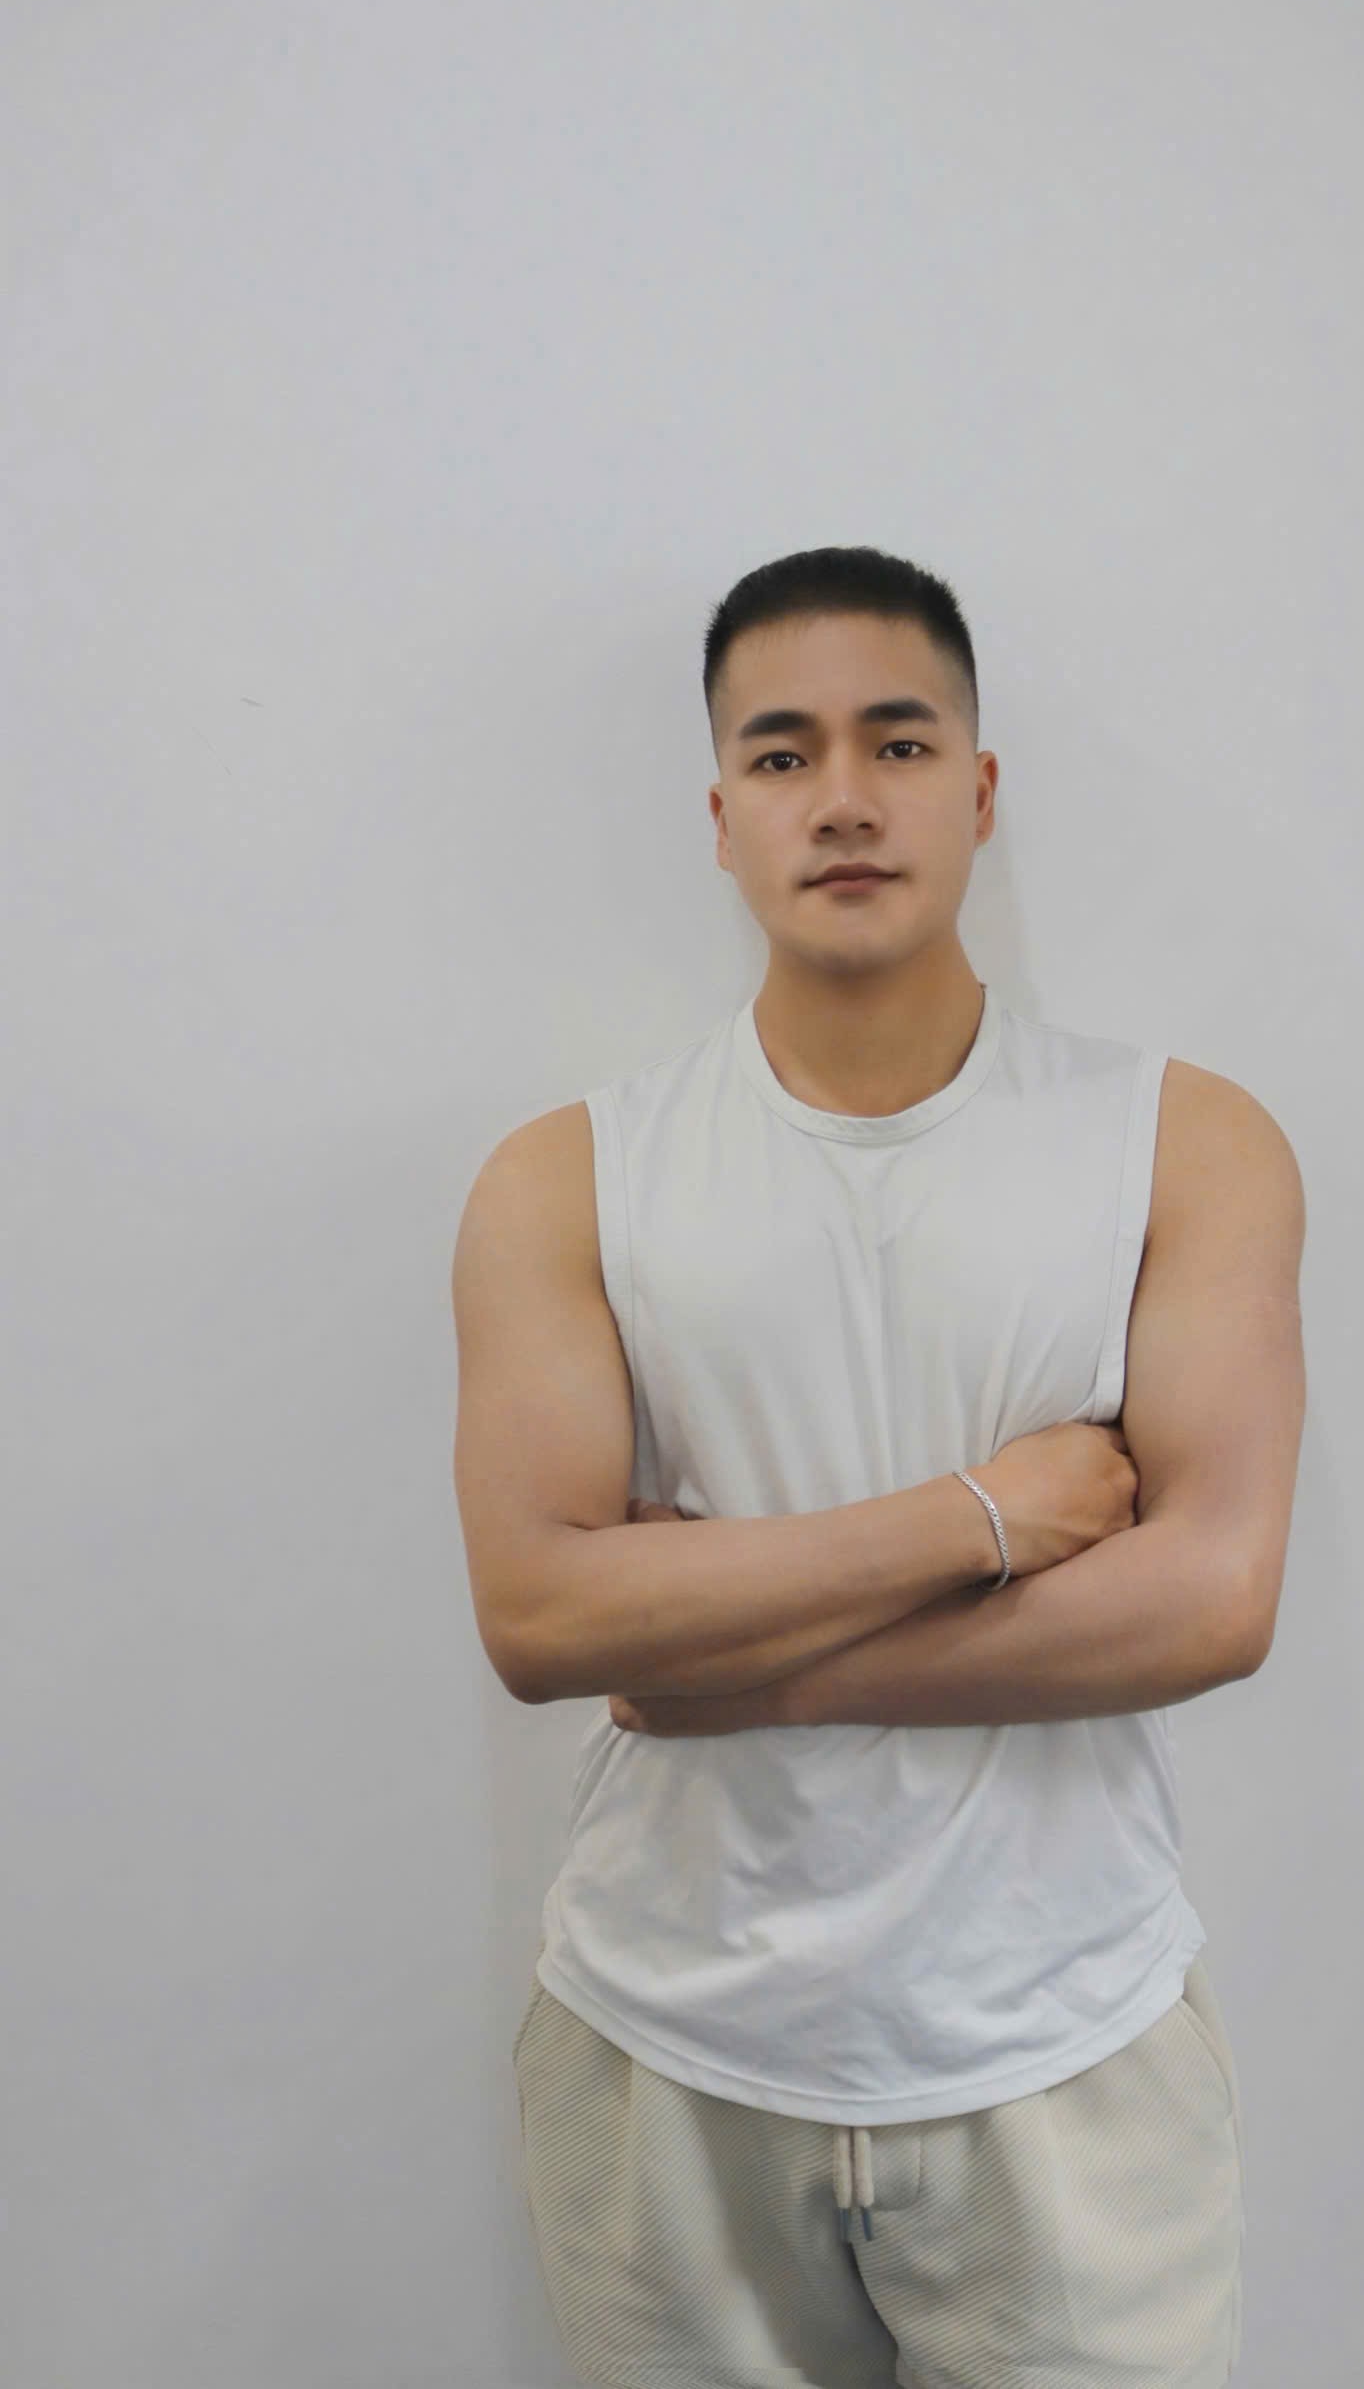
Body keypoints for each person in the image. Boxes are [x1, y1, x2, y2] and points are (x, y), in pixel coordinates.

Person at [451, 543, 1307, 2386]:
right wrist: (984, 1516)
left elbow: (1211, 1599)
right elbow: (539, 1612)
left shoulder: (1181, 1140)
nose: (841, 797)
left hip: (1064, 2044)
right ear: (720, 817)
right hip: (668, 2048)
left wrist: (731, 1667)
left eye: (897, 744)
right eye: (781, 754)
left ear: (978, 791)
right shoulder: (567, 1177)